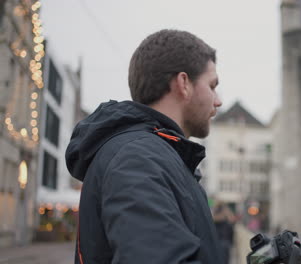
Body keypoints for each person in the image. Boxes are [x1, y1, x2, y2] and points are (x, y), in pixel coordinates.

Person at [65, 29, 223, 264]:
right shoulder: (138, 159)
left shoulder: (157, 156)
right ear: (184, 83)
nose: (218, 100)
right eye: (212, 86)